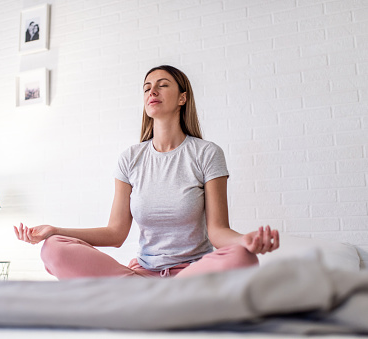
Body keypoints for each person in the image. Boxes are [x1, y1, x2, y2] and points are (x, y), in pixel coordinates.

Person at [14, 65, 279, 280]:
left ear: (182, 98)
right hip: (142, 276)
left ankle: (156, 300)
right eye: (147, 88)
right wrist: (54, 230)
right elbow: (116, 234)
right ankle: (160, 299)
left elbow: (218, 232)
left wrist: (247, 240)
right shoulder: (130, 158)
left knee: (242, 258)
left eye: (163, 85)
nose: (152, 91)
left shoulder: (206, 153)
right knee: (54, 249)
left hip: (192, 274)